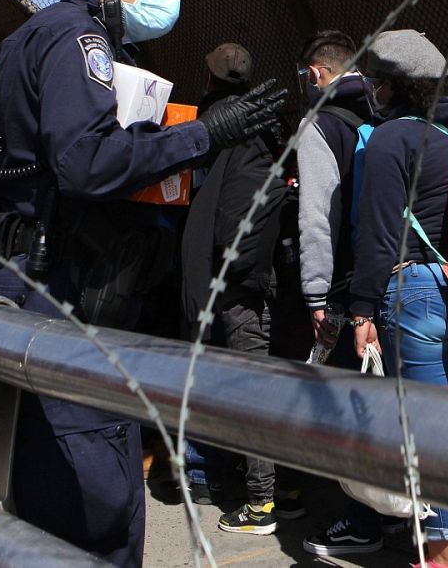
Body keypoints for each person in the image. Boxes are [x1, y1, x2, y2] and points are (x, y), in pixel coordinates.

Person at [0, 0, 284, 566]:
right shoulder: (81, 42)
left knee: (40, 485)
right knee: (95, 496)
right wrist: (203, 136)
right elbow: (85, 162)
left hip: (25, 274)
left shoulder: (29, 37)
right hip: (66, 289)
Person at [348, 30, 448, 568]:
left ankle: (438, 558)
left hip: (416, 293)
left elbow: (379, 233)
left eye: (374, 82)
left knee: (428, 430)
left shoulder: (394, 139)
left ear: (389, 85)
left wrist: (362, 308)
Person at [179, 42, 297, 535]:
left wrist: (227, 277)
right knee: (265, 380)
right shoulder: (269, 128)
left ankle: (261, 502)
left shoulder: (225, 131)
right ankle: (282, 490)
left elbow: (231, 216)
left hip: (238, 282)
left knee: (250, 386)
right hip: (262, 275)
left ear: (209, 79)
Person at [295, 30, 395, 558]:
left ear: (316, 73)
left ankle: (362, 517)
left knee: (352, 403)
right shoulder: (388, 112)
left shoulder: (323, 124)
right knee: (390, 396)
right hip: (396, 277)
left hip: (345, 285)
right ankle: (399, 512)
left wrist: (315, 294)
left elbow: (316, 217)